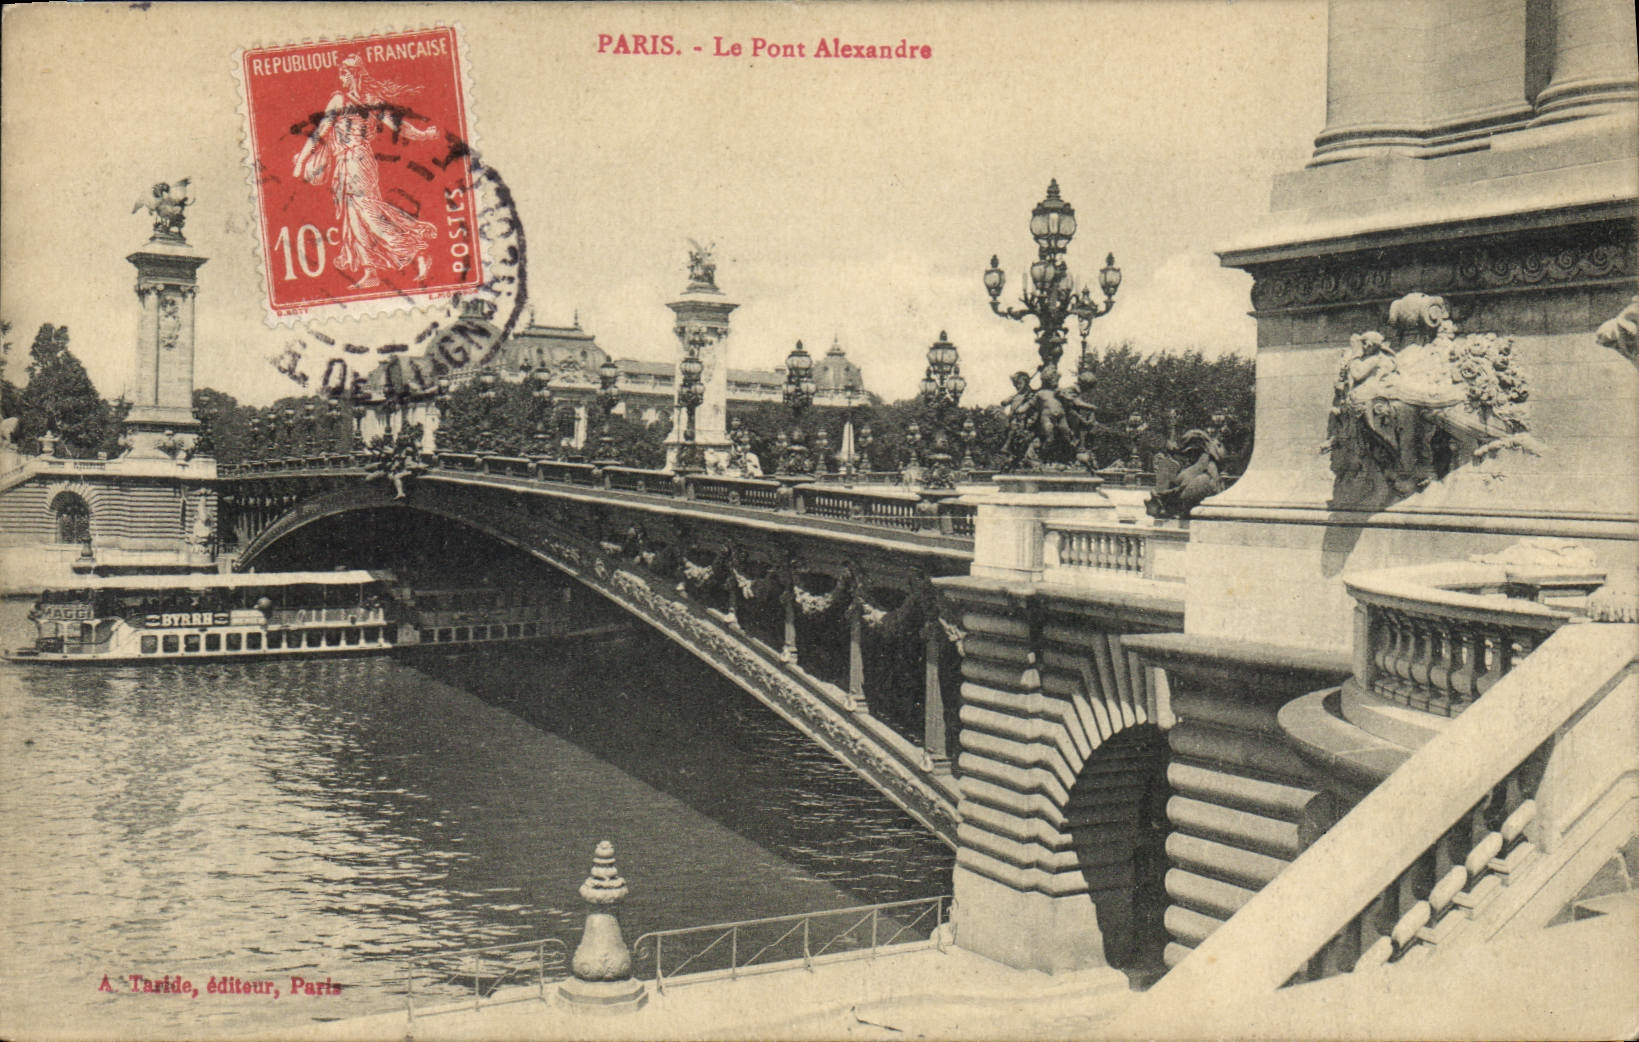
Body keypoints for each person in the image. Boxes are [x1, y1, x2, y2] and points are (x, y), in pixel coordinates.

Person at [294, 55, 438, 289]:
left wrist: (301, 161)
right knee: (356, 217)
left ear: (353, 75)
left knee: (367, 212)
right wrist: (423, 135)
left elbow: (319, 133)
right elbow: (401, 127)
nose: (340, 78)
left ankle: (416, 249)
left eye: (343, 74)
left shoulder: (339, 100)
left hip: (354, 162)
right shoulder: (371, 100)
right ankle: (371, 272)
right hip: (357, 161)